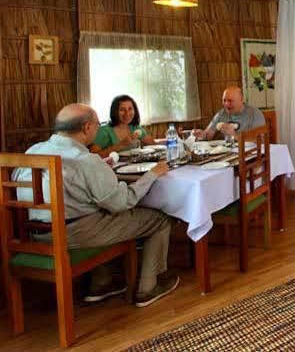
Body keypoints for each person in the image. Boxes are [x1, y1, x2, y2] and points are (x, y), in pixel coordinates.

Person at [12, 104, 179, 306]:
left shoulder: (33, 151)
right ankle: (148, 287)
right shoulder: (85, 160)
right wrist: (152, 174)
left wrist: (102, 171)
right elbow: (121, 202)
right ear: (86, 128)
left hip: (33, 233)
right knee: (158, 219)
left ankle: (102, 283)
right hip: (74, 232)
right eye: (97, 125)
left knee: (97, 210)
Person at [90, 95, 154, 156]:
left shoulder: (135, 127)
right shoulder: (104, 131)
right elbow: (93, 157)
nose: (127, 113)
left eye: (130, 109)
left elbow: (153, 146)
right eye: (122, 110)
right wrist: (121, 145)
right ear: (114, 111)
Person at [195, 86, 266, 140]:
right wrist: (202, 134)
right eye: (224, 100)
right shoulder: (221, 114)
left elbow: (260, 140)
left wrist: (234, 135)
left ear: (241, 100)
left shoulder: (255, 114)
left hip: (250, 154)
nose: (226, 104)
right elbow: (208, 134)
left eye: (230, 101)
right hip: (228, 153)